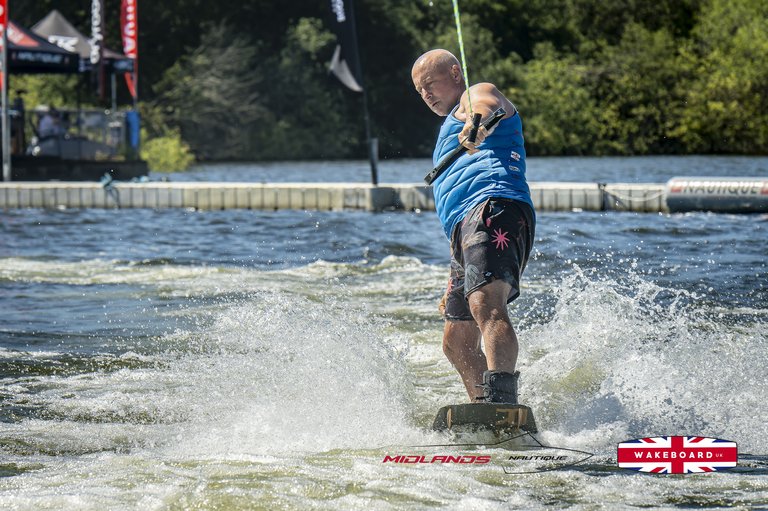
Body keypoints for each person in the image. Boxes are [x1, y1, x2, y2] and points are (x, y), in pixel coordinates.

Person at [411, 49, 536, 404]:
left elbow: (486, 105)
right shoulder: (446, 129)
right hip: (466, 229)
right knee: (456, 341)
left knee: (486, 305)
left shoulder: (473, 95)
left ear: (454, 73)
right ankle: (483, 407)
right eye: (420, 91)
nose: (427, 94)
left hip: (493, 208)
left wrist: (476, 124)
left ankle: (502, 401)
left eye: (430, 84)